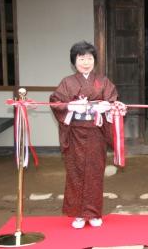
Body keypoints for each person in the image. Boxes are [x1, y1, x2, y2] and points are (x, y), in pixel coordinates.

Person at [50, 41, 118, 229]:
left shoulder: (103, 81)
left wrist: (107, 106)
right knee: (75, 173)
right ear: (74, 61)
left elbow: (113, 100)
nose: (86, 62)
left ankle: (94, 213)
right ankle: (79, 214)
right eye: (81, 58)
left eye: (89, 58)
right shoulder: (67, 82)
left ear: (94, 60)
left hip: (96, 133)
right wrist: (70, 106)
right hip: (75, 133)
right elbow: (56, 102)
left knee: (95, 173)